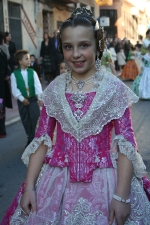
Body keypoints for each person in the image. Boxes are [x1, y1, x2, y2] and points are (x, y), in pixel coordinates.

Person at [1, 7, 150, 225]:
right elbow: (42, 140)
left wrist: (121, 195)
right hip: (55, 184)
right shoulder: (53, 90)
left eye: (84, 45)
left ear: (97, 46)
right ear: (62, 49)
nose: (76, 54)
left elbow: (125, 142)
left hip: (107, 183)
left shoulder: (114, 90)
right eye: (68, 47)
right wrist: (30, 187)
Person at [10, 50, 43, 147]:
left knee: (35, 118)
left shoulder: (32, 72)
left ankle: (34, 138)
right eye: (26, 59)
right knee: (26, 120)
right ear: (20, 61)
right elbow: (15, 89)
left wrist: (40, 97)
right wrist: (21, 99)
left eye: (29, 58)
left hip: (32, 99)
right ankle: (30, 137)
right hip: (22, 101)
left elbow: (38, 86)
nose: (29, 60)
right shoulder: (14, 74)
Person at [0, 31, 12, 138]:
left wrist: (7, 74)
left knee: (1, 106)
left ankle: (2, 131)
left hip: (2, 87)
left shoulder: (2, 50)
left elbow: (6, 64)